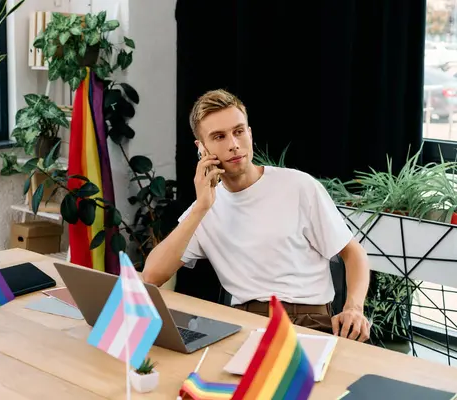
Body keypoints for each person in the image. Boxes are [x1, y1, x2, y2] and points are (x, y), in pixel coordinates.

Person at [142, 89, 371, 342]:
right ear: (202, 148)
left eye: (238, 131)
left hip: (309, 323)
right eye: (219, 137)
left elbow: (353, 252)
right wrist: (200, 208)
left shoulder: (298, 186)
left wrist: (353, 308)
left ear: (249, 133)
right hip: (245, 325)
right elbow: (152, 275)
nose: (233, 144)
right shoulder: (205, 208)